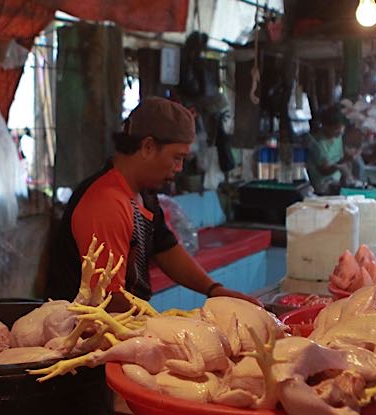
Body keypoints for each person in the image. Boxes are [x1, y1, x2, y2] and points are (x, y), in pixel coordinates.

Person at [46, 97, 259, 310]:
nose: (179, 168)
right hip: (84, 326)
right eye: (177, 158)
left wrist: (214, 290)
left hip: (125, 320)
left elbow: (165, 248)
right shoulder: (106, 202)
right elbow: (107, 299)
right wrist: (164, 324)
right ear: (148, 147)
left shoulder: (143, 192)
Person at [304, 107, 357, 194]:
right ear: (325, 126)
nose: (339, 133)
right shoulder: (317, 144)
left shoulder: (338, 137)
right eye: (336, 130)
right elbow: (324, 170)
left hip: (337, 182)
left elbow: (341, 155)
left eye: (341, 131)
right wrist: (342, 161)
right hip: (322, 186)